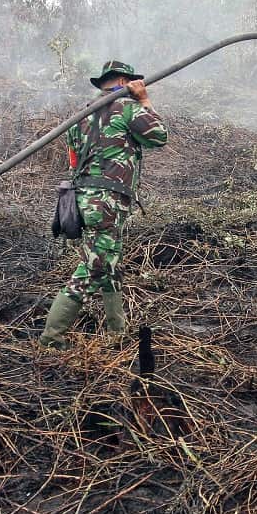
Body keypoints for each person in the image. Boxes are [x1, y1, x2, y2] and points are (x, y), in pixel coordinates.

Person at [39, 61, 167, 349]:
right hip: (109, 203)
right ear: (123, 80)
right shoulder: (128, 109)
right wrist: (144, 99)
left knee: (109, 263)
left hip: (85, 202)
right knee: (93, 268)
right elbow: (159, 137)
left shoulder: (80, 116)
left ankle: (116, 330)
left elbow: (73, 161)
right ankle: (50, 338)